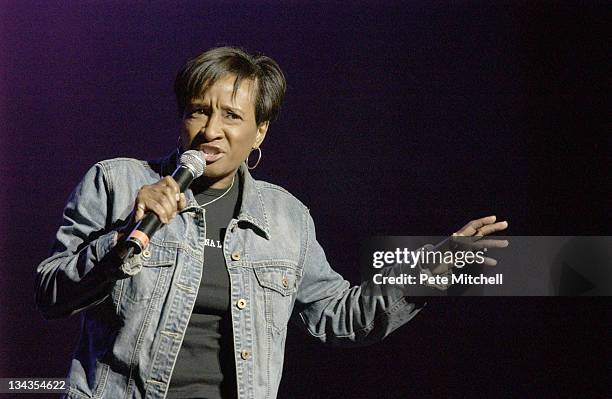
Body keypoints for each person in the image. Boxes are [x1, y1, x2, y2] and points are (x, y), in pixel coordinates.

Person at [35, 47, 508, 399]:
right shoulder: (117, 181)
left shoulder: (285, 219)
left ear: (260, 130)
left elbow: (338, 316)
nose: (210, 130)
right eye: (199, 110)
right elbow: (50, 293)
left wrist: (428, 274)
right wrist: (122, 240)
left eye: (231, 115)